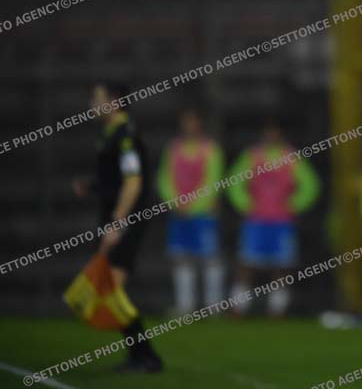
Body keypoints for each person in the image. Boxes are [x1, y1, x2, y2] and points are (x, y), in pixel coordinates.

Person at [72, 81, 163, 372]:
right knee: (112, 290)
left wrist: (118, 222)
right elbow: (116, 178)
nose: (92, 104)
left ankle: (146, 357)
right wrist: (92, 186)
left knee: (111, 288)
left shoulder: (125, 135)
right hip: (117, 218)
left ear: (114, 102)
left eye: (97, 98)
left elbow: (133, 184)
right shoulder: (111, 133)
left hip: (126, 219)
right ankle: (142, 356)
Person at [227, 119, 320, 316]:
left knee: (281, 266)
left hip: (282, 221)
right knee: (246, 264)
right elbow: (235, 182)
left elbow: (310, 184)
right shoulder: (251, 156)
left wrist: (294, 205)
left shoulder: (291, 157)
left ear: (280, 135)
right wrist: (245, 204)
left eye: (274, 133)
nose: (271, 137)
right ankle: (239, 308)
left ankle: (277, 309)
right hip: (256, 220)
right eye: (268, 133)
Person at [157, 107, 226, 314]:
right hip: (179, 212)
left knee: (210, 257)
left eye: (194, 122)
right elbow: (164, 179)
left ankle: (213, 305)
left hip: (204, 212)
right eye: (186, 122)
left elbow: (213, 180)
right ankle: (185, 306)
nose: (190, 126)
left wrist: (194, 204)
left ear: (200, 124)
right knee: (181, 258)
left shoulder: (211, 149)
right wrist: (175, 202)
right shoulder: (173, 149)